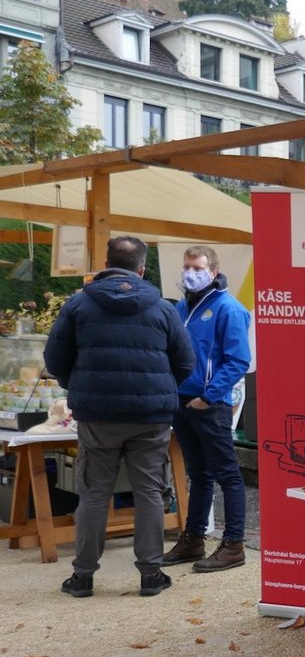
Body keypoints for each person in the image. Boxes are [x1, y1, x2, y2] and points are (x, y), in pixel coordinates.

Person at [43, 236, 195, 598]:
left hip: (98, 415)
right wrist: (157, 389)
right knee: (149, 492)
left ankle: (83, 577)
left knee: (94, 493)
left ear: (106, 262)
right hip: (151, 416)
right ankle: (150, 575)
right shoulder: (162, 308)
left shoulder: (79, 304)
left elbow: (54, 360)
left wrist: (77, 386)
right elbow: (185, 362)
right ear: (142, 268)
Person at [161, 245, 253, 573]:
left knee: (227, 474)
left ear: (213, 271)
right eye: (186, 266)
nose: (190, 272)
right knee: (198, 474)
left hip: (208, 405)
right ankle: (194, 539)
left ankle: (234, 544)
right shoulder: (179, 308)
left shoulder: (229, 308)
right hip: (181, 404)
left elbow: (239, 360)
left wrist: (209, 396)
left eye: (197, 267)